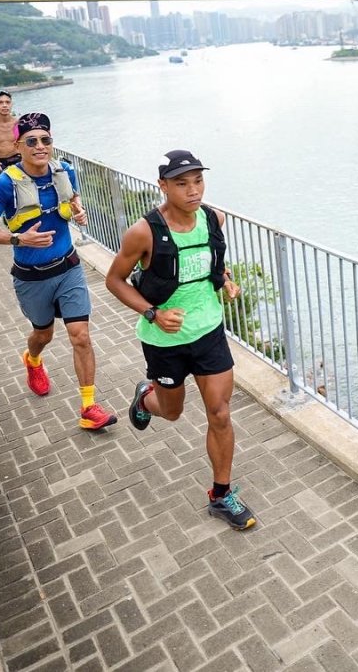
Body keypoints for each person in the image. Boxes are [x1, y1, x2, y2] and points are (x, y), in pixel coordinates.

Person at [104, 150, 255, 530]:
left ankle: (221, 495)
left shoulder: (213, 218)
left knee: (219, 413)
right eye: (182, 183)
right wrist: (152, 313)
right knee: (171, 412)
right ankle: (145, 397)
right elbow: (114, 281)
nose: (193, 191)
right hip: (163, 340)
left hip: (209, 331)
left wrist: (225, 280)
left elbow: (211, 265)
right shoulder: (143, 232)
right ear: (163, 186)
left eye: (198, 181)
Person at [0, 111, 116, 432]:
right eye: (32, 141)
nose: (40, 146)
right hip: (31, 276)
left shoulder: (64, 171)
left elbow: (72, 200)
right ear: (18, 145)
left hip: (68, 267)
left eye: (46, 140)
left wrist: (78, 212)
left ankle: (88, 407)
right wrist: (18, 237)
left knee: (80, 335)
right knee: (44, 335)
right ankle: (33, 360)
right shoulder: (4, 185)